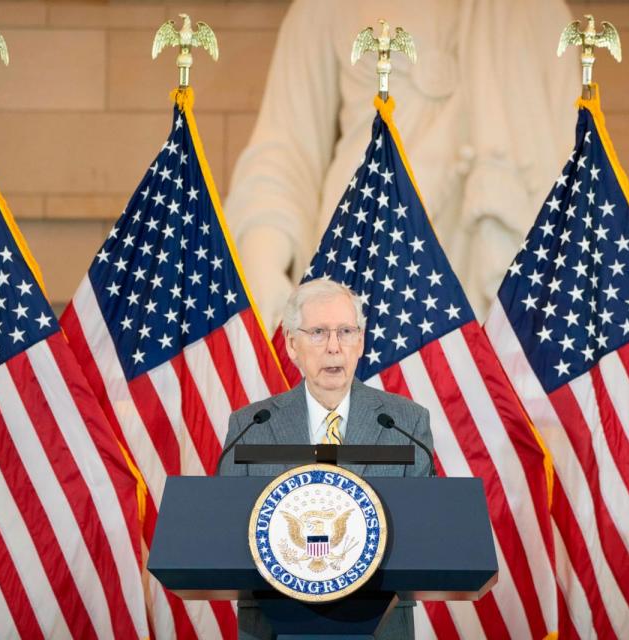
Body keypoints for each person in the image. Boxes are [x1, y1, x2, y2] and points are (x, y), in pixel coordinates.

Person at [224, 0, 580, 326]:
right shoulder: (327, 7)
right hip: (363, 261)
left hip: (489, 264)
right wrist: (264, 261)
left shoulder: (536, 12)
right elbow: (285, 148)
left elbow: (571, 171)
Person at [219, 278, 434, 639]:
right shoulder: (251, 425)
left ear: (361, 341)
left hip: (381, 623)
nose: (334, 347)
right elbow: (225, 529)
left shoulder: (406, 422)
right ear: (292, 344)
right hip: (273, 623)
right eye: (318, 332)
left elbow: (425, 528)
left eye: (346, 332)